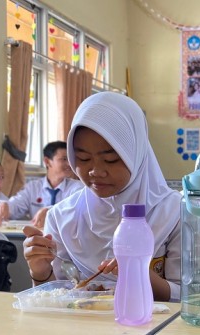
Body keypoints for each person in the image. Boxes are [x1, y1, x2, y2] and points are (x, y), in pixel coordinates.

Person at [22, 92, 182, 301]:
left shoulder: (173, 212)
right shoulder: (62, 217)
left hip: (154, 329)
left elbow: (184, 295)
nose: (95, 171)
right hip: (82, 330)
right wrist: (40, 272)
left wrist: (138, 273)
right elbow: (57, 296)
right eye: (83, 158)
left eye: (111, 159)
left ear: (137, 154)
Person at [0, 141, 82, 227]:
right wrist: (5, 205)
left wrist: (49, 211)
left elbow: (73, 211)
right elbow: (16, 205)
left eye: (71, 159)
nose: (69, 164)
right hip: (37, 238)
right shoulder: (33, 187)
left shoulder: (78, 188)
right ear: (47, 161)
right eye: (64, 159)